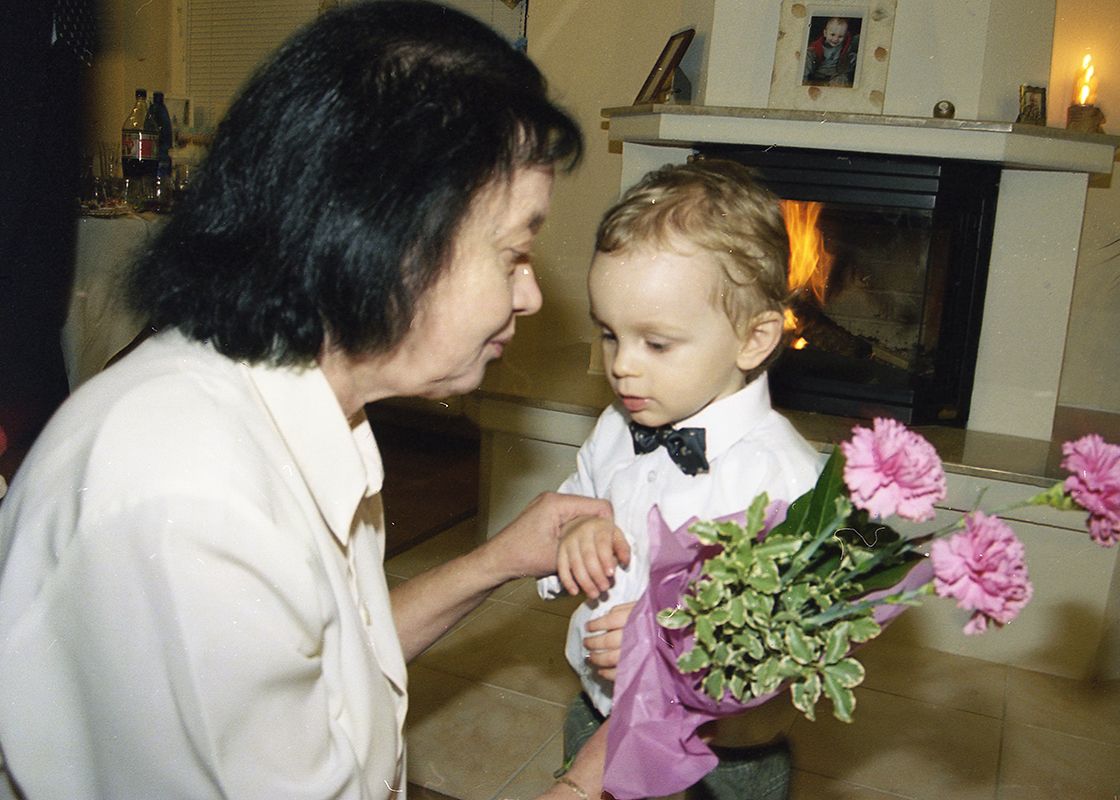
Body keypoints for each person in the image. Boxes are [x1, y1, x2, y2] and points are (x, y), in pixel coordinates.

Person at [0, 3, 621, 798]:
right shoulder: (191, 503)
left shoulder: (300, 401)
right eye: (514, 252)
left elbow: (335, 669)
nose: (530, 293)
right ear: (393, 237)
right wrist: (589, 779)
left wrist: (496, 562)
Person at [536, 160, 822, 800]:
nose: (622, 368)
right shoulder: (616, 427)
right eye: (610, 335)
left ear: (754, 339)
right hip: (598, 709)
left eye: (657, 344)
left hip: (723, 756)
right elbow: (576, 503)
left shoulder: (784, 476)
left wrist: (675, 635)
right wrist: (578, 531)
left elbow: (797, 628)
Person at [803, 16, 859, 86]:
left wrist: (853, 56)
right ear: (825, 33)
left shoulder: (845, 45)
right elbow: (811, 57)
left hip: (836, 74)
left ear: (845, 36)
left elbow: (851, 50)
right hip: (818, 75)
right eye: (832, 35)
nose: (835, 39)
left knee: (842, 80)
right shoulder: (817, 47)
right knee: (807, 56)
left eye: (840, 36)